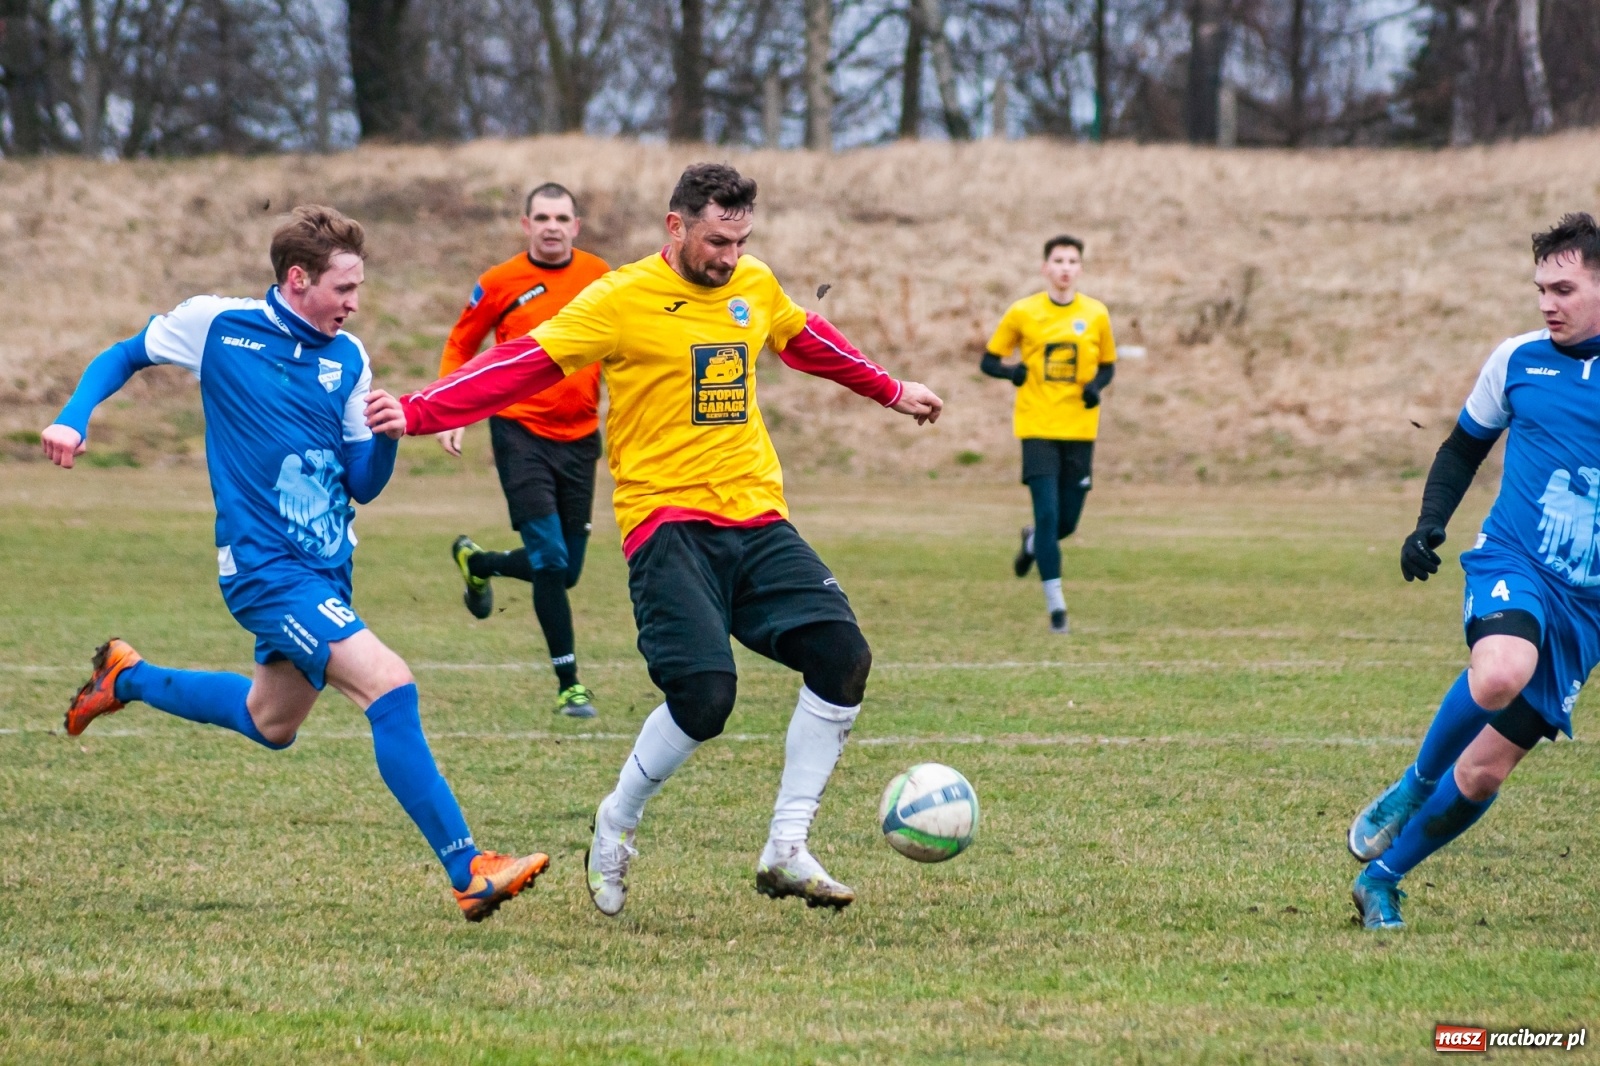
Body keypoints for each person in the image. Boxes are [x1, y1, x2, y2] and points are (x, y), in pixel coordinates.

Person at [397, 163, 944, 915]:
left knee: (843, 657)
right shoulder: (620, 299)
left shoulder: (751, 283)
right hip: (666, 523)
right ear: (676, 227)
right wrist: (424, 411)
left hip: (755, 513)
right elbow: (521, 362)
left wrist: (890, 389)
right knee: (705, 697)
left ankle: (786, 847)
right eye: (718, 241)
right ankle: (615, 823)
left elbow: (804, 335)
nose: (730, 257)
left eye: (742, 240)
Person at [42, 206, 548, 923]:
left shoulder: (350, 358)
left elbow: (362, 485)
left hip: (326, 567)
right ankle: (469, 869)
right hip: (263, 568)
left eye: (359, 287)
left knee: (269, 721)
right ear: (298, 278)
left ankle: (129, 677)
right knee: (390, 686)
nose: (354, 303)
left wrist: (387, 434)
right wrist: (74, 415)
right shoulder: (219, 324)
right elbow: (124, 354)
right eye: (344, 288)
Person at [1348, 213, 1600, 930]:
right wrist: (1431, 521)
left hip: (1590, 609)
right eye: (1540, 288)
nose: (1547, 303)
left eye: (1564, 288)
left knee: (1486, 771)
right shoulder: (1519, 359)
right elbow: (1462, 448)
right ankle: (1411, 784)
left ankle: (1382, 881)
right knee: (1498, 672)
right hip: (1516, 562)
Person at [436, 182, 611, 718]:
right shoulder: (499, 282)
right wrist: (451, 407)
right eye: (542, 217)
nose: (552, 226)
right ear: (525, 224)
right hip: (519, 433)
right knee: (551, 561)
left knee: (567, 570)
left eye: (562, 217)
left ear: (576, 226)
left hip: (581, 438)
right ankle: (570, 684)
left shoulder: (602, 277)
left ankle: (479, 562)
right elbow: (461, 343)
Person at [981, 235, 1117, 634]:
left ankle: (1031, 543)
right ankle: (1057, 610)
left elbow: (1108, 366)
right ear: (1045, 268)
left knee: (1066, 524)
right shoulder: (1023, 312)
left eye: (1072, 261)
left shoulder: (1095, 314)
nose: (1064, 267)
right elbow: (989, 360)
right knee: (1047, 513)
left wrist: (1097, 388)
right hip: (1037, 426)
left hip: (1079, 430)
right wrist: (1012, 371)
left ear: (1079, 269)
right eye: (1058, 260)